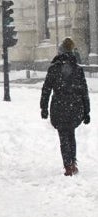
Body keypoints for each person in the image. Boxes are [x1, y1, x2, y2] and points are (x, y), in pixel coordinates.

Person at [40, 37, 91, 176]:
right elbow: (83, 91)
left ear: (60, 51)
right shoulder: (77, 69)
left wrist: (43, 108)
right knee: (71, 134)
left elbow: (46, 89)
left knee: (63, 136)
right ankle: (72, 162)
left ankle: (68, 165)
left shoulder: (54, 68)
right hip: (75, 106)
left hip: (59, 106)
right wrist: (86, 111)